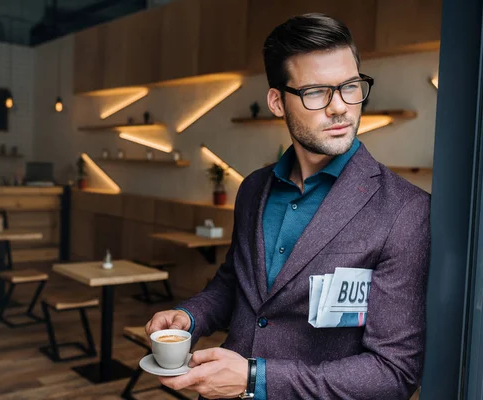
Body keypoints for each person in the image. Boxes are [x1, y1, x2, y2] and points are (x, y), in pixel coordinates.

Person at [145, 13, 430, 400]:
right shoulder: (252, 189)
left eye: (350, 86)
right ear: (277, 102)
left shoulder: (405, 211)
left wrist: (254, 378)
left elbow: (392, 372)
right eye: (315, 92)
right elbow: (235, 286)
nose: (339, 108)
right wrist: (191, 316)